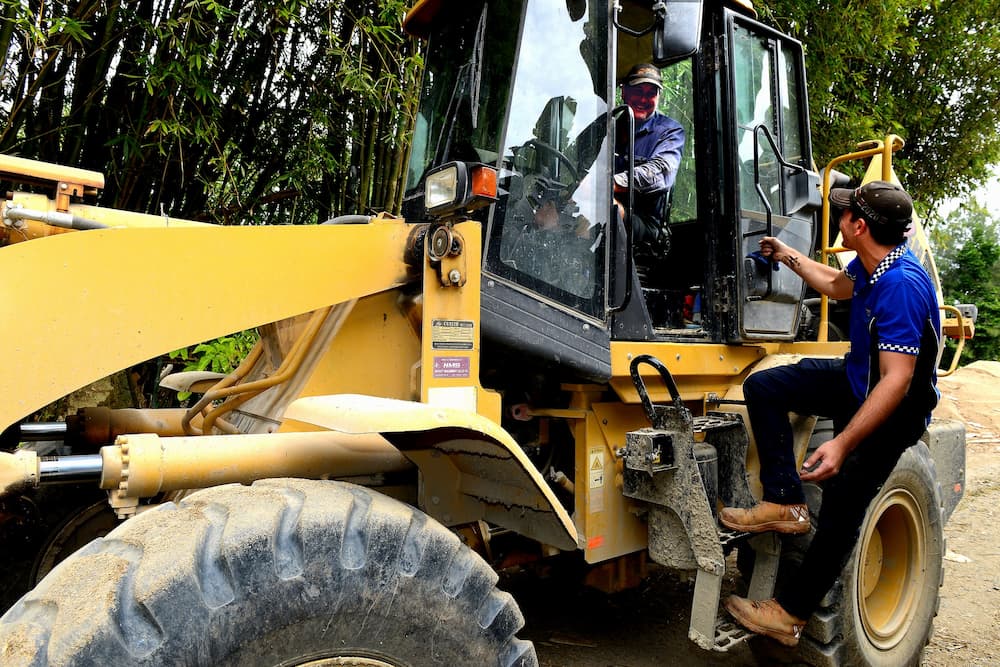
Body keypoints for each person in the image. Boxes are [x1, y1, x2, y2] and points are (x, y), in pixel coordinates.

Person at [719, 181, 941, 646]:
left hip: (891, 408)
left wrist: (841, 443)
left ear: (858, 226)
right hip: (858, 378)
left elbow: (897, 380)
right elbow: (837, 284)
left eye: (843, 215)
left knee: (842, 509)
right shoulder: (873, 263)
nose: (836, 219)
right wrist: (787, 255)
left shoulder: (900, 285)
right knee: (765, 386)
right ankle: (785, 502)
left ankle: (790, 615)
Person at [614, 63, 685, 245]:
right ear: (624, 92)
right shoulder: (607, 128)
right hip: (607, 207)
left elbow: (661, 173)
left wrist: (608, 184)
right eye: (638, 91)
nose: (643, 99)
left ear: (658, 97)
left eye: (650, 93)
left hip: (645, 226)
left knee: (604, 208)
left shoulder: (670, 131)